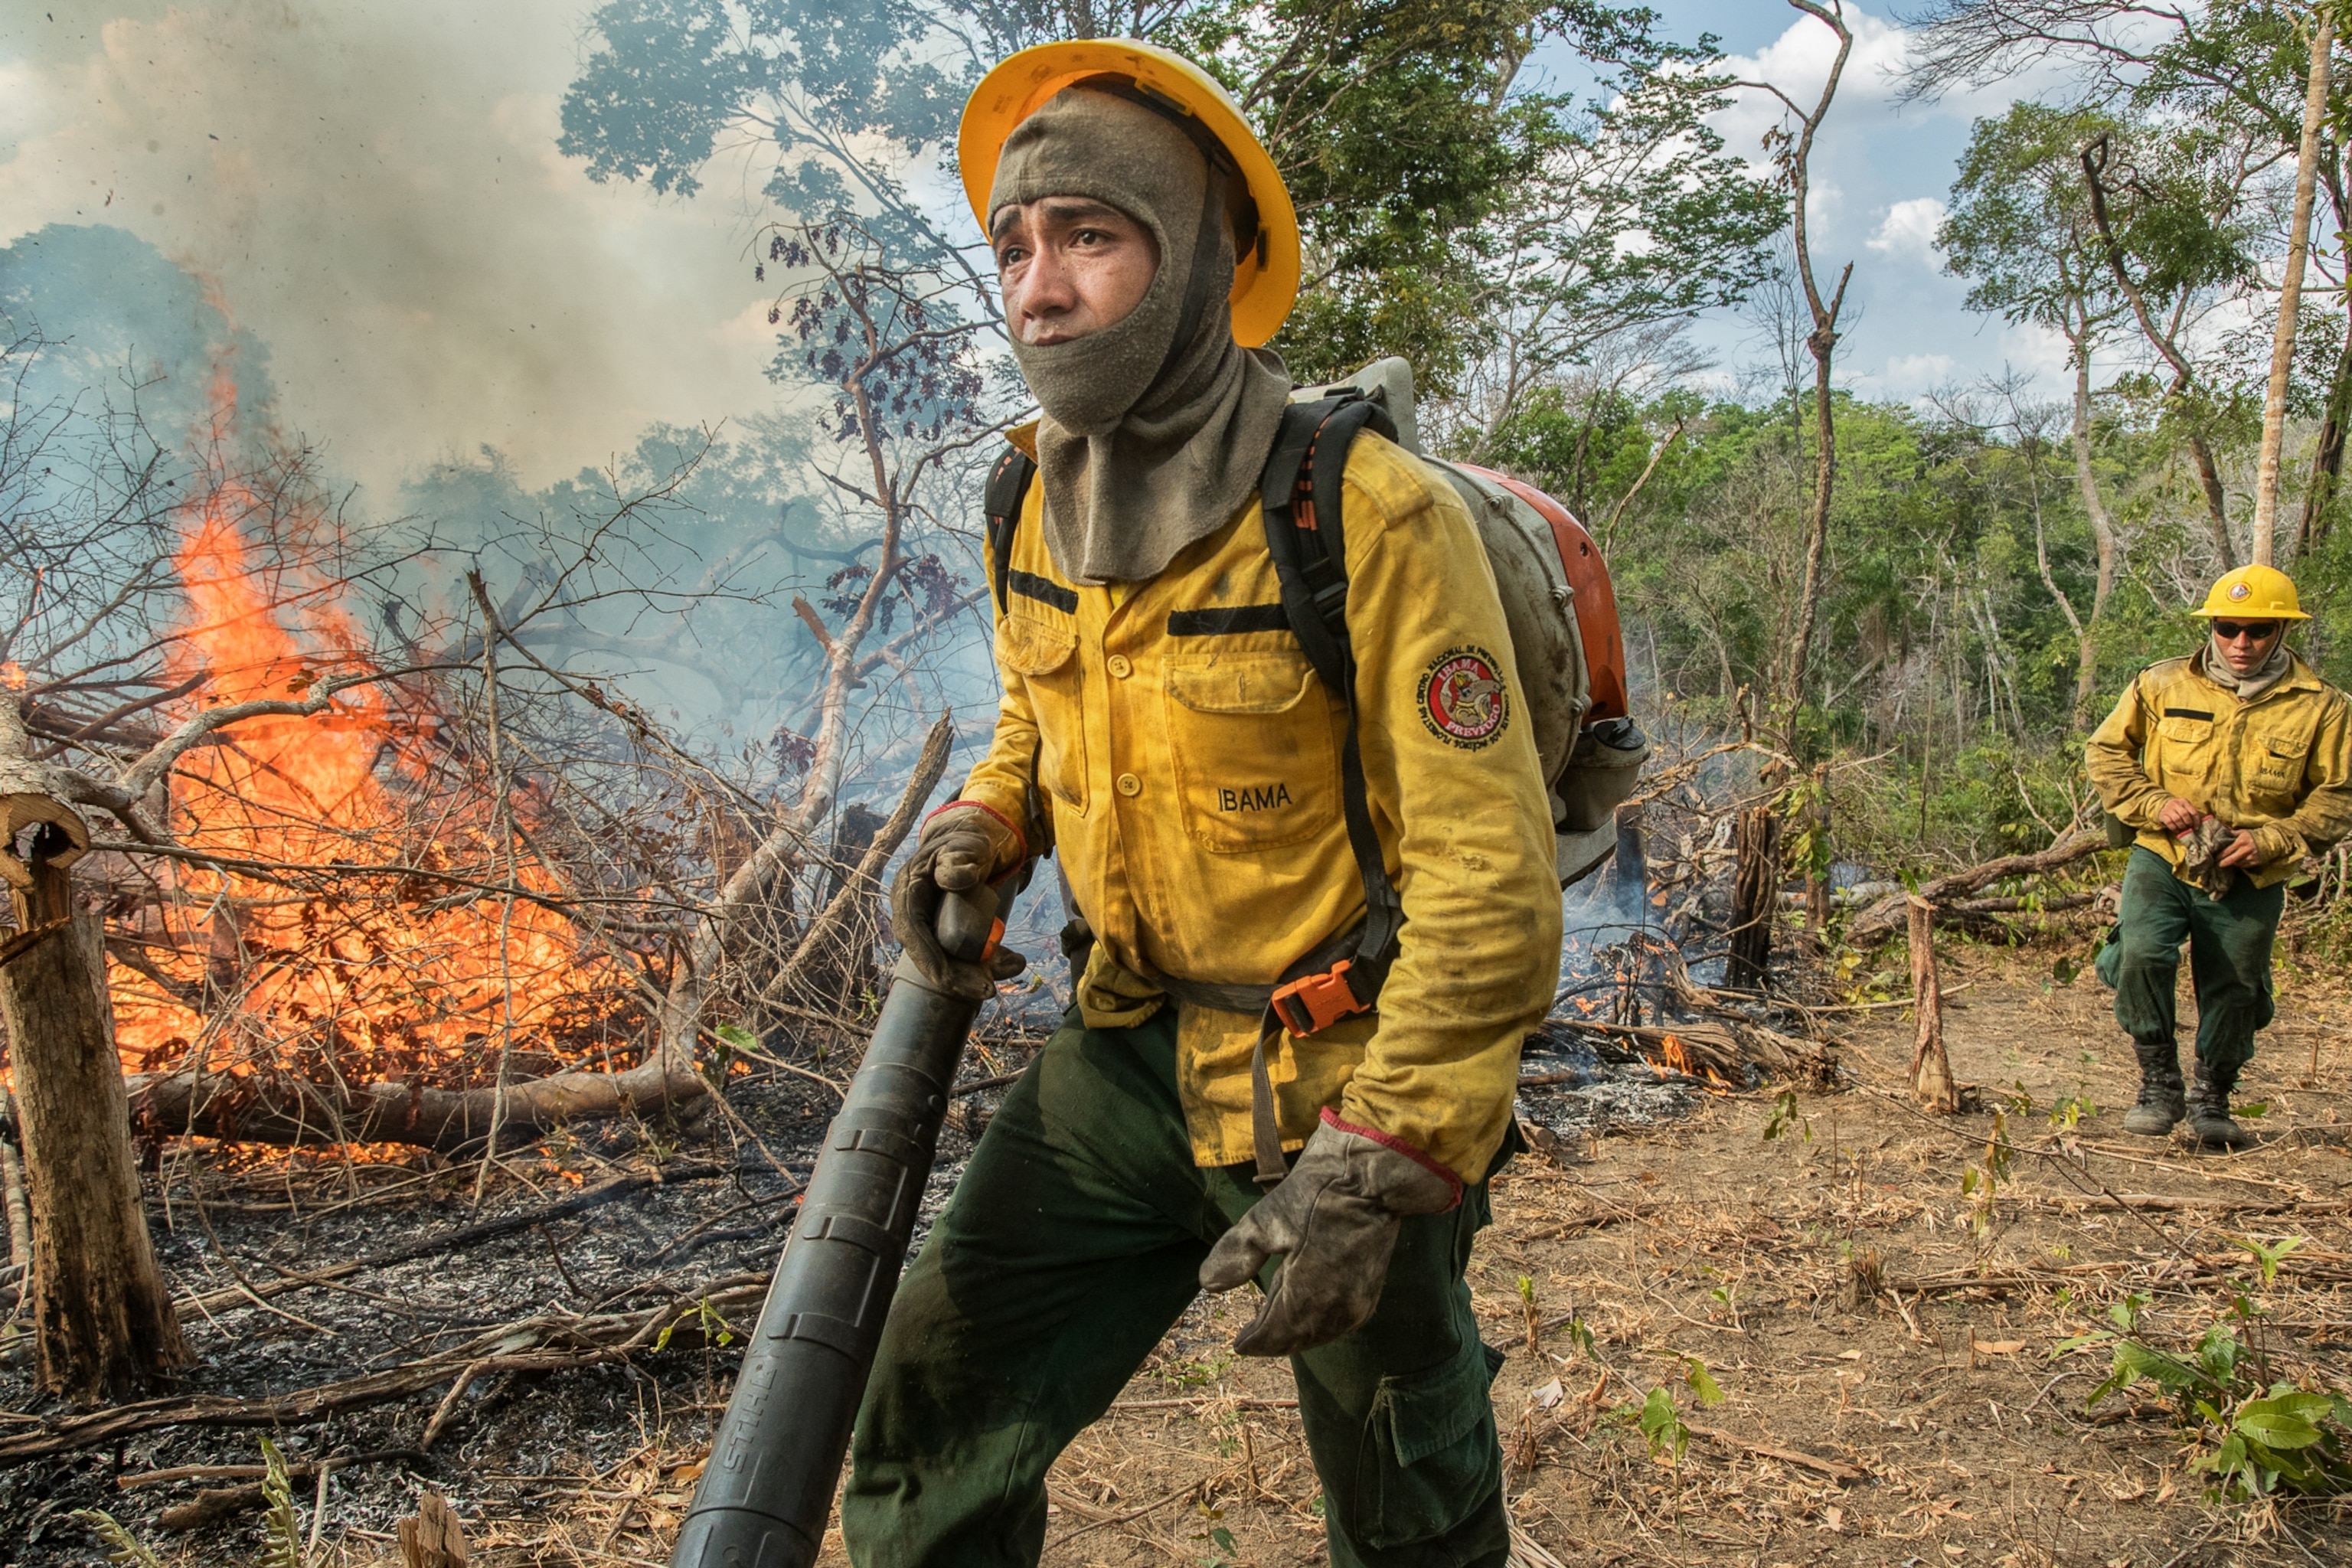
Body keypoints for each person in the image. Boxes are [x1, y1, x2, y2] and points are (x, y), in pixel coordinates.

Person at [849, 38, 1561, 1568]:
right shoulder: (1028, 496)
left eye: (1090, 239)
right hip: (1128, 1053)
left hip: (1341, 1074)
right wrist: (987, 820)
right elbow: (1043, 708)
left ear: (1198, 264)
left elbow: (1489, 881)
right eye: (1015, 248)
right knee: (939, 1401)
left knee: (1409, 1493)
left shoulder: (1364, 511)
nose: (1038, 288)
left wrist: (1391, 1156)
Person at [2086, 564, 2352, 1149]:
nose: (2240, 642)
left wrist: (2272, 841)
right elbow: (2107, 753)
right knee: (2140, 952)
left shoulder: (2323, 707)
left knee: (2236, 984)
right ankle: (2159, 1084)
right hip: (2164, 854)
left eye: (2257, 630)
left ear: (2281, 632)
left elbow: (2338, 795)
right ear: (2213, 626)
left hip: (2251, 867)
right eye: (2228, 627)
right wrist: (2155, 803)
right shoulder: (2161, 684)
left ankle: (2214, 1095)